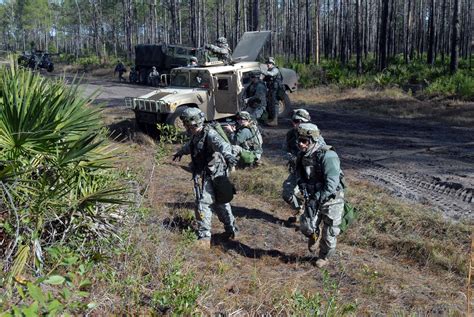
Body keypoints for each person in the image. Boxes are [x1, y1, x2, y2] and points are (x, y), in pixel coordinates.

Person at [172, 108, 239, 248]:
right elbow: (191, 145)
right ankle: (218, 232)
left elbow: (223, 145)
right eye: (187, 126)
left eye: (189, 125)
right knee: (209, 203)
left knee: (214, 203)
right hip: (204, 173)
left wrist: (228, 156)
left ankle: (214, 234)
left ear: (196, 123)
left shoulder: (211, 134)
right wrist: (181, 152)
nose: (188, 128)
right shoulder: (196, 134)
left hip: (216, 174)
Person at [293, 123, 345, 268]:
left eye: (304, 141)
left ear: (313, 140)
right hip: (313, 196)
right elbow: (299, 174)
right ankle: (313, 235)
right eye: (299, 140)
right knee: (305, 225)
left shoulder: (328, 156)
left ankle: (324, 256)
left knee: (330, 233)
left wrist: (316, 198)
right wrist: (303, 187)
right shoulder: (303, 155)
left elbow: (331, 185)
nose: (300, 144)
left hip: (331, 200)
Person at [282, 109, 325, 220]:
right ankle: (299, 208)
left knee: (314, 197)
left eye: (298, 121)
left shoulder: (314, 135)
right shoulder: (291, 134)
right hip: (298, 170)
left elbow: (322, 152)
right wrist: (292, 158)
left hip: (313, 172)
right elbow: (284, 150)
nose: (295, 124)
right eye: (294, 121)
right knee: (287, 192)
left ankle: (313, 220)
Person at [262, 57, 282, 126]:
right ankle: (271, 119)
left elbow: (272, 74)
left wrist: (263, 71)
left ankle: (275, 120)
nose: (268, 64)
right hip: (271, 90)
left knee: (275, 105)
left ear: (272, 64)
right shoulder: (269, 70)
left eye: (269, 63)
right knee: (270, 105)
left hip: (275, 90)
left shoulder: (275, 70)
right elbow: (265, 79)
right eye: (267, 63)